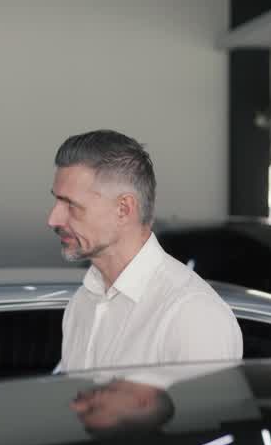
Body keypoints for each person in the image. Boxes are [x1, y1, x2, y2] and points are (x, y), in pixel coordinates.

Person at [47, 129, 242, 372]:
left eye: (71, 205)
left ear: (124, 209)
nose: (53, 219)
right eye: (56, 201)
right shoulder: (82, 303)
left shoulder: (192, 314)